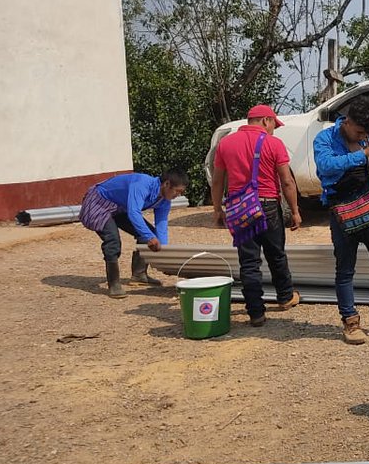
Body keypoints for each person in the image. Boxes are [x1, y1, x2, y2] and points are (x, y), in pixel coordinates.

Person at [313, 97, 369, 345]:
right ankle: (350, 322)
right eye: (360, 132)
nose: (364, 136)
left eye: (368, 134)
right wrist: (362, 154)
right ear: (348, 122)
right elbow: (325, 166)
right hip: (342, 209)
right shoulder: (324, 139)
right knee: (345, 270)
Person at [211, 104, 302, 328]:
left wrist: (217, 209)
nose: (273, 130)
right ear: (265, 121)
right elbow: (287, 181)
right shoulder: (274, 144)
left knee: (249, 262)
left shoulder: (225, 144)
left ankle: (255, 312)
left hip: (239, 208)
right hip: (268, 205)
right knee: (276, 255)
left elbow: (217, 181)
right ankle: (285, 297)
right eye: (274, 125)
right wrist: (295, 211)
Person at [80, 169, 188, 298]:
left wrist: (163, 254)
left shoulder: (164, 200)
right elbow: (134, 213)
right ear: (166, 184)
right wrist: (150, 238)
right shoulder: (141, 184)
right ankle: (113, 283)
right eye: (177, 191)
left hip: (120, 208)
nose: (178, 195)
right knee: (113, 240)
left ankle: (139, 275)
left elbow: (161, 225)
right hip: (99, 203)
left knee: (150, 233)